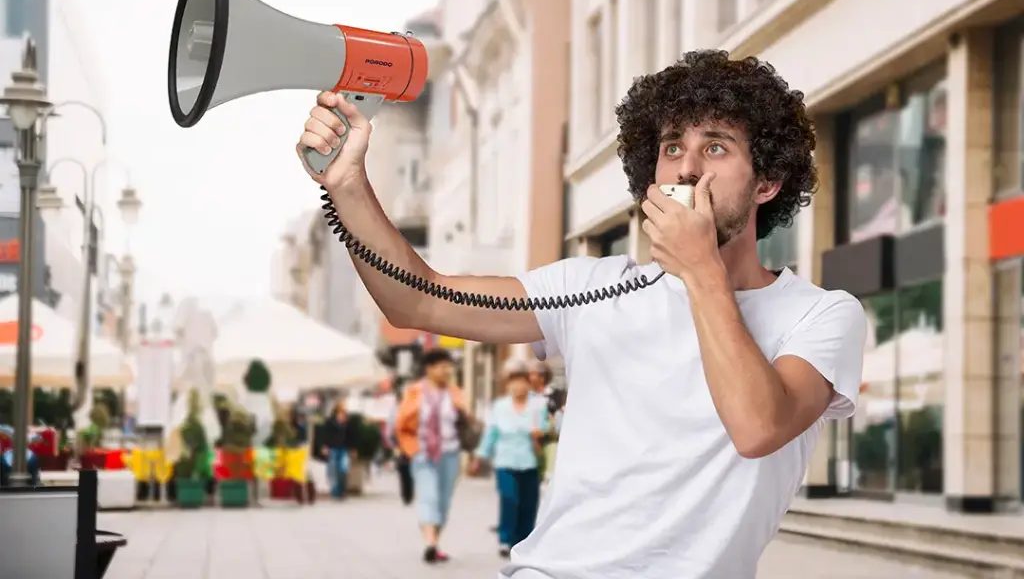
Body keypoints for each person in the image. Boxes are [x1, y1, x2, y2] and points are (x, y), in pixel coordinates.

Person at [296, 49, 867, 578]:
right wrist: (347, 185)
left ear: (767, 181)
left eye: (715, 147)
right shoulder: (591, 285)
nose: (686, 170)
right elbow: (416, 298)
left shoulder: (821, 316)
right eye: (672, 148)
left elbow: (758, 426)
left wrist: (701, 273)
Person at [394, 349, 469, 563]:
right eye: (442, 366)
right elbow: (402, 423)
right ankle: (430, 543)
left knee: (443, 502)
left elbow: (466, 419)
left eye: (449, 366)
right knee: (429, 497)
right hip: (423, 454)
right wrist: (411, 449)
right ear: (429, 368)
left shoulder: (454, 392)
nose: (447, 371)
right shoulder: (415, 392)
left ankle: (434, 543)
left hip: (450, 453)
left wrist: (461, 410)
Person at [471, 360, 548, 558]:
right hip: (505, 462)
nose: (518, 386)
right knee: (509, 499)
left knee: (528, 503)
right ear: (507, 385)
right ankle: (506, 539)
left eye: (522, 382)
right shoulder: (500, 406)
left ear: (528, 384)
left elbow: (544, 429)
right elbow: (492, 433)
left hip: (529, 461)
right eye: (513, 382)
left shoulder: (537, 406)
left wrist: (540, 434)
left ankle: (523, 540)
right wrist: (480, 456)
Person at [320, 400, 352, 500]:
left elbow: (352, 436)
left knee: (343, 469)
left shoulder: (347, 422)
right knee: (333, 470)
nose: (342, 413)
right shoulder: (330, 421)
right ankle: (335, 491)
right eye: (341, 411)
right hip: (333, 448)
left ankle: (342, 490)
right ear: (337, 411)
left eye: (344, 412)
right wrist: (325, 446)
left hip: (344, 449)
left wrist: (353, 448)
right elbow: (325, 434)